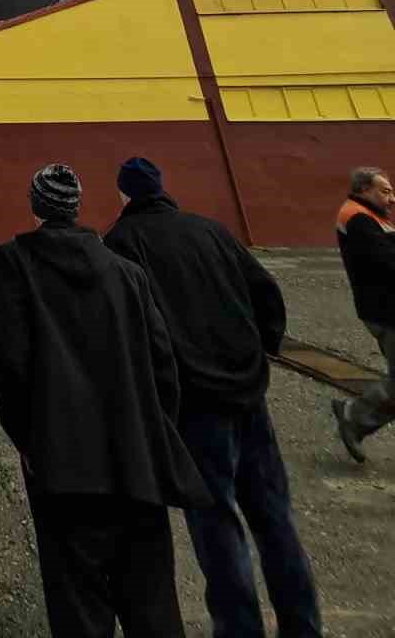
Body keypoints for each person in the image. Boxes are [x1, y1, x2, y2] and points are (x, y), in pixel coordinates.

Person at [104, 156, 322, 638]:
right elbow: (266, 292)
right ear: (161, 187)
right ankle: (303, 626)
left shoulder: (122, 242)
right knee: (275, 519)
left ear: (123, 196)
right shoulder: (211, 230)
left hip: (194, 406)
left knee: (217, 525)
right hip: (248, 397)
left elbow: (128, 327)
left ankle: (239, 629)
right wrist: (258, 351)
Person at [0, 163, 208, 638]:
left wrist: (26, 439)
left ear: (35, 206)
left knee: (78, 601)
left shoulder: (15, 262)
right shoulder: (127, 274)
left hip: (62, 462)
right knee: (152, 602)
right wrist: (152, 429)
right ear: (78, 205)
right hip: (136, 460)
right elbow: (162, 363)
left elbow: (10, 364)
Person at [329, 165, 395, 462]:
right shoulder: (358, 219)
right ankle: (354, 417)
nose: (391, 198)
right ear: (363, 190)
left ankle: (354, 416)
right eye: (384, 191)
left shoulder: (369, 217)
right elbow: (387, 264)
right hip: (386, 311)